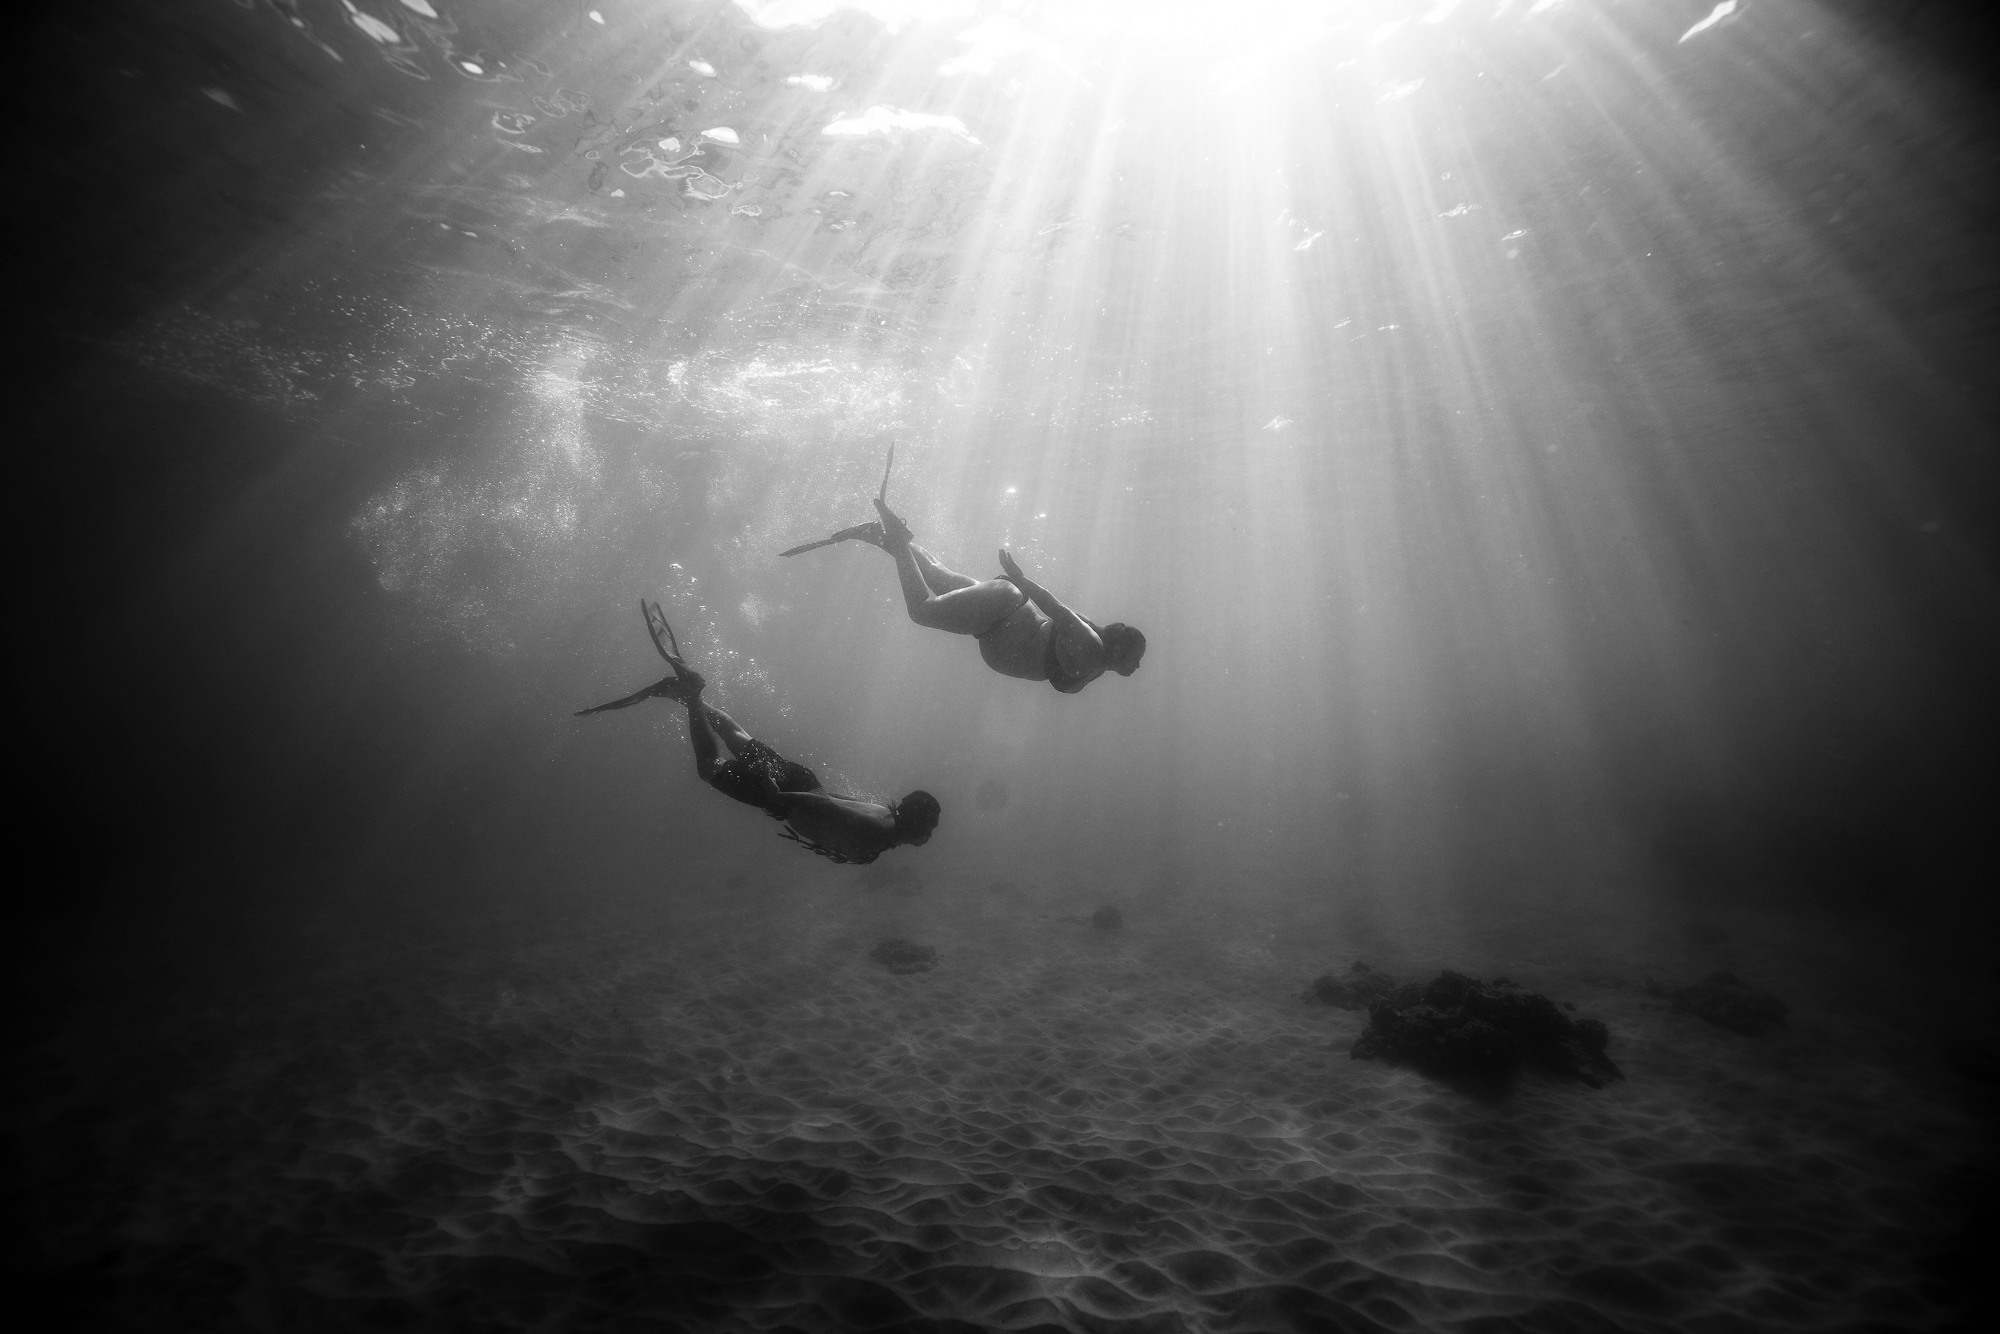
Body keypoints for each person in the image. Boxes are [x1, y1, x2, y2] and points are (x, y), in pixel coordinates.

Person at [577, 601, 940, 863]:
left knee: (736, 734)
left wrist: (795, 793)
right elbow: (827, 805)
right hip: (785, 794)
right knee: (710, 768)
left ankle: (687, 694)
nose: (929, 838)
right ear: (918, 826)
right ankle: (690, 695)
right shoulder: (879, 833)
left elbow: (832, 798)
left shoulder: (883, 814)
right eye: (930, 830)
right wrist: (780, 798)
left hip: (801, 782)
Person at [785, 495, 1146, 695]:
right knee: (922, 611)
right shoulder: (1093, 648)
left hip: (1001, 612)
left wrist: (1020, 585)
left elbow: (1060, 617)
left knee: (938, 576)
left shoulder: (1099, 665)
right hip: (1003, 612)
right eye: (1136, 657)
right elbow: (1058, 611)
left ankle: (881, 536)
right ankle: (895, 538)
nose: (1138, 666)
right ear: (1117, 649)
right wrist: (1023, 580)